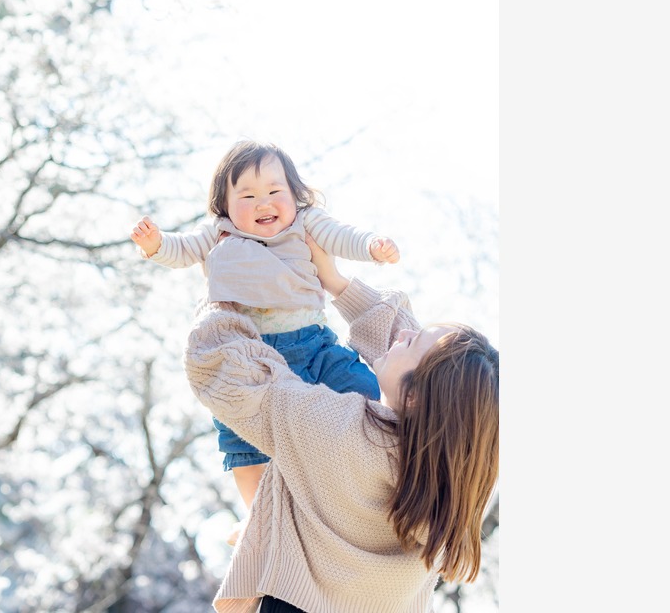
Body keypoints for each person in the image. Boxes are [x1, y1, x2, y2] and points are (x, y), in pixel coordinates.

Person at [184, 235, 500, 613]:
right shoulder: (457, 480)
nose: (402, 333)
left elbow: (222, 370)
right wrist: (334, 280)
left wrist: (221, 289)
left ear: (416, 397)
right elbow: (439, 378)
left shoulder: (340, 430)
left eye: (411, 341)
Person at [130, 140, 400, 533]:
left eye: (275, 192)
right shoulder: (219, 234)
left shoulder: (306, 223)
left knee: (362, 388)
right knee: (238, 430)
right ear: (224, 205)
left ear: (295, 196)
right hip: (250, 353)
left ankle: (384, 480)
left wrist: (372, 246)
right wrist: (155, 244)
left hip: (312, 345)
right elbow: (182, 249)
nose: (263, 203)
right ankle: (258, 517)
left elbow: (343, 236)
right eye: (248, 195)